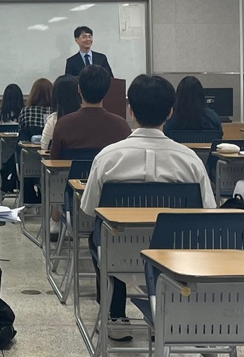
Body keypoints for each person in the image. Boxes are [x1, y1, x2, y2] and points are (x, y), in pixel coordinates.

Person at [80, 75, 215, 341]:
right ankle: (165, 315)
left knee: (102, 234)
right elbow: (208, 212)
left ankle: (115, 316)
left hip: (118, 253)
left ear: (131, 111)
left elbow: (89, 208)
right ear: (170, 112)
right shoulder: (190, 161)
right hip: (173, 254)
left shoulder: (108, 157)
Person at [49, 65, 130, 158]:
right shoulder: (121, 126)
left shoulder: (63, 124)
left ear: (79, 89)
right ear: (107, 91)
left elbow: (54, 160)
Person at [162, 75, 223, 141]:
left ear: (178, 96)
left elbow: (166, 137)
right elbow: (219, 138)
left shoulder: (172, 120)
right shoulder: (212, 118)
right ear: (201, 95)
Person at [39, 74, 80, 153]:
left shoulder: (53, 120)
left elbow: (44, 147)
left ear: (55, 95)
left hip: (59, 160)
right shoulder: (88, 119)